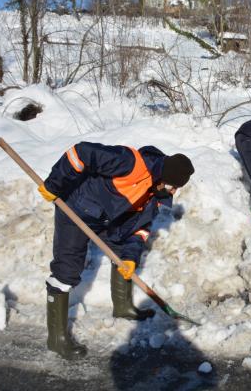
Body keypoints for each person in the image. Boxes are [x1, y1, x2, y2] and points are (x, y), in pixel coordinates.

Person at [37, 142, 194, 359]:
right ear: (162, 178)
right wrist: (54, 184)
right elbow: (81, 152)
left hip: (104, 218)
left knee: (122, 252)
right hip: (74, 209)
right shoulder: (129, 162)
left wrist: (129, 259)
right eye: (172, 186)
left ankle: (122, 307)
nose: (173, 191)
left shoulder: (154, 195)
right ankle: (57, 340)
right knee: (67, 270)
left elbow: (139, 230)